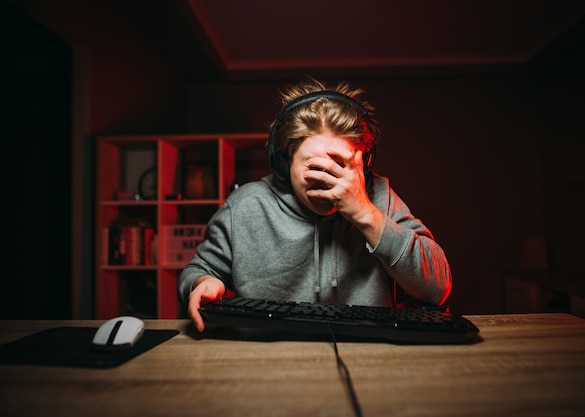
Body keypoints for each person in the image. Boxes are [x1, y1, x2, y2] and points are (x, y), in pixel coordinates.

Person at [178, 77, 452, 332]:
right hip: (268, 362)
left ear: (364, 164)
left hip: (367, 358)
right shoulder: (245, 206)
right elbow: (198, 271)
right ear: (284, 163)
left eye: (340, 165)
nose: (327, 180)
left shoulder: (380, 196)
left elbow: (437, 288)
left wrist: (365, 213)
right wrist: (203, 283)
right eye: (313, 166)